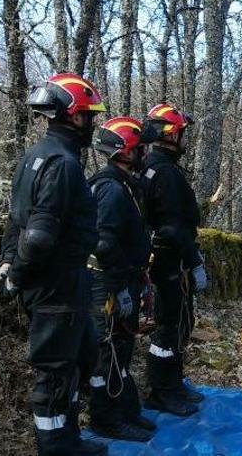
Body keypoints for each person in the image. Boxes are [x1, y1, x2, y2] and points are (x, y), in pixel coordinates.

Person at [0, 73, 107, 455]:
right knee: (54, 375)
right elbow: (36, 236)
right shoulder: (63, 165)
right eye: (88, 116)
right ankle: (56, 448)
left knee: (75, 363)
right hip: (57, 287)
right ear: (70, 116)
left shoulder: (34, 157)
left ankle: (69, 442)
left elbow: (15, 222)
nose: (93, 124)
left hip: (63, 286)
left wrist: (6, 265)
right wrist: (15, 277)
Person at [87, 117, 158, 441]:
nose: (147, 153)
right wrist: (119, 288)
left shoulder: (125, 184)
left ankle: (125, 410)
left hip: (123, 278)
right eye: (142, 148)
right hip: (107, 283)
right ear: (128, 153)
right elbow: (103, 244)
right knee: (109, 351)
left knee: (123, 348)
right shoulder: (112, 189)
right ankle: (106, 419)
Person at [142, 103, 207, 416]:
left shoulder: (151, 165)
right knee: (168, 326)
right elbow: (171, 226)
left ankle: (173, 382)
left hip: (164, 260)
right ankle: (162, 390)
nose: (185, 140)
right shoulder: (164, 172)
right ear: (172, 135)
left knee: (176, 323)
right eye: (183, 134)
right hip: (168, 263)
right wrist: (193, 260)